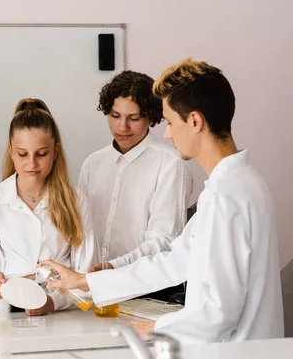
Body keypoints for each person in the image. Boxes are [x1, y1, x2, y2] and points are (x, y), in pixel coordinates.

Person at [40, 59, 284, 344]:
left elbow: (216, 314)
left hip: (235, 349)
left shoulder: (227, 196)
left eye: (169, 121)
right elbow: (174, 261)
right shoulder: (239, 184)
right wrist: (85, 281)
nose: (167, 133)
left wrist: (155, 327)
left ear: (194, 121)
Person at [0, 98, 96, 316]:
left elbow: (86, 280)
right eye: (23, 154)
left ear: (55, 151)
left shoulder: (76, 201)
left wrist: (51, 302)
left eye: (41, 154)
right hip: (6, 314)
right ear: (11, 151)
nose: (32, 163)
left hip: (62, 315)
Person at [79, 71, 192, 300]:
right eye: (114, 115)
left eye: (134, 118)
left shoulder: (170, 164)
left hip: (148, 291)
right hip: (95, 289)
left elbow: (164, 241)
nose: (122, 127)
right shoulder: (93, 164)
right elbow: (81, 231)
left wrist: (115, 267)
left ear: (151, 117)